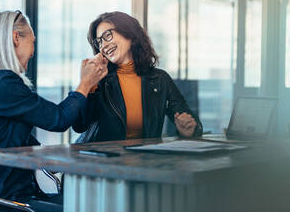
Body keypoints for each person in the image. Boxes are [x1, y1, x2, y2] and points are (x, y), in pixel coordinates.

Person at [0, 10, 108, 212]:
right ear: (16, 38)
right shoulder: (2, 83)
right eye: (32, 42)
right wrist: (85, 83)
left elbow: (14, 139)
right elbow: (57, 119)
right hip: (7, 203)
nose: (33, 51)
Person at [74, 11, 202, 142]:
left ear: (128, 32)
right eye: (99, 42)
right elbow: (79, 125)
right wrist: (88, 84)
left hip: (144, 158)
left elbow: (193, 123)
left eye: (107, 35)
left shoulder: (160, 79)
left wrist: (188, 130)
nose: (104, 46)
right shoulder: (99, 80)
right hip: (100, 159)